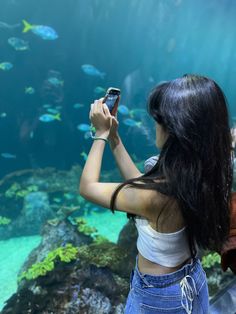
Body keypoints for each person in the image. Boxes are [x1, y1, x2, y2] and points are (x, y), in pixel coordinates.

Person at [79, 74, 234, 313]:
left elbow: (87, 187)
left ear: (175, 129)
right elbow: (140, 186)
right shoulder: (203, 173)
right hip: (192, 281)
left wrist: (99, 133)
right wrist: (114, 138)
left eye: (158, 120)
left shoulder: (158, 195)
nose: (155, 126)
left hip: (158, 298)